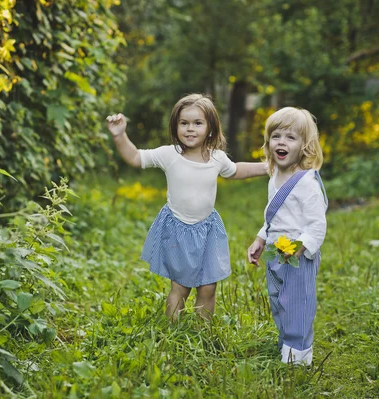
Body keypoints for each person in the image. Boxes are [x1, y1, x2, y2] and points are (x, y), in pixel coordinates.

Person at [106, 93, 267, 321]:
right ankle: (174, 332)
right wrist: (120, 135)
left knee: (209, 287)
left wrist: (268, 167)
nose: (190, 129)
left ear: (210, 128)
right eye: (184, 123)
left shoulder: (217, 158)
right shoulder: (169, 155)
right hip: (177, 229)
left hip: (208, 229)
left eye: (198, 123)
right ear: (176, 126)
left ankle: (203, 332)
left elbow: (237, 170)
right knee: (181, 287)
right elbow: (135, 157)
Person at [247, 107, 328, 366]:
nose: (281, 142)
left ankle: (298, 355)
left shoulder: (307, 183)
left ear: (305, 146)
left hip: (297, 257)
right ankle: (286, 342)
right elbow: (275, 217)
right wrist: (261, 239)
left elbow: (317, 225)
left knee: (298, 304)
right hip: (276, 252)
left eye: (290, 137)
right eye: (276, 136)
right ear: (268, 143)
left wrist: (300, 249)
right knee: (279, 300)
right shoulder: (275, 176)